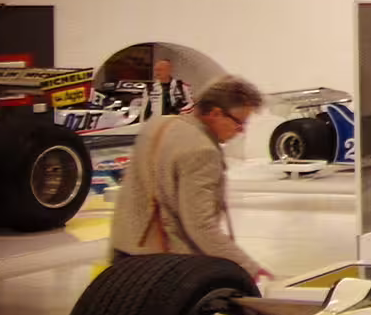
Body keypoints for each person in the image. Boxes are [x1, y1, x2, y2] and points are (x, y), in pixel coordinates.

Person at [110, 75, 271, 282]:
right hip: (162, 267)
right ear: (215, 113)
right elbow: (200, 226)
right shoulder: (202, 151)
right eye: (239, 123)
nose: (241, 131)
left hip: (124, 251)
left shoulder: (157, 125)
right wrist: (249, 268)